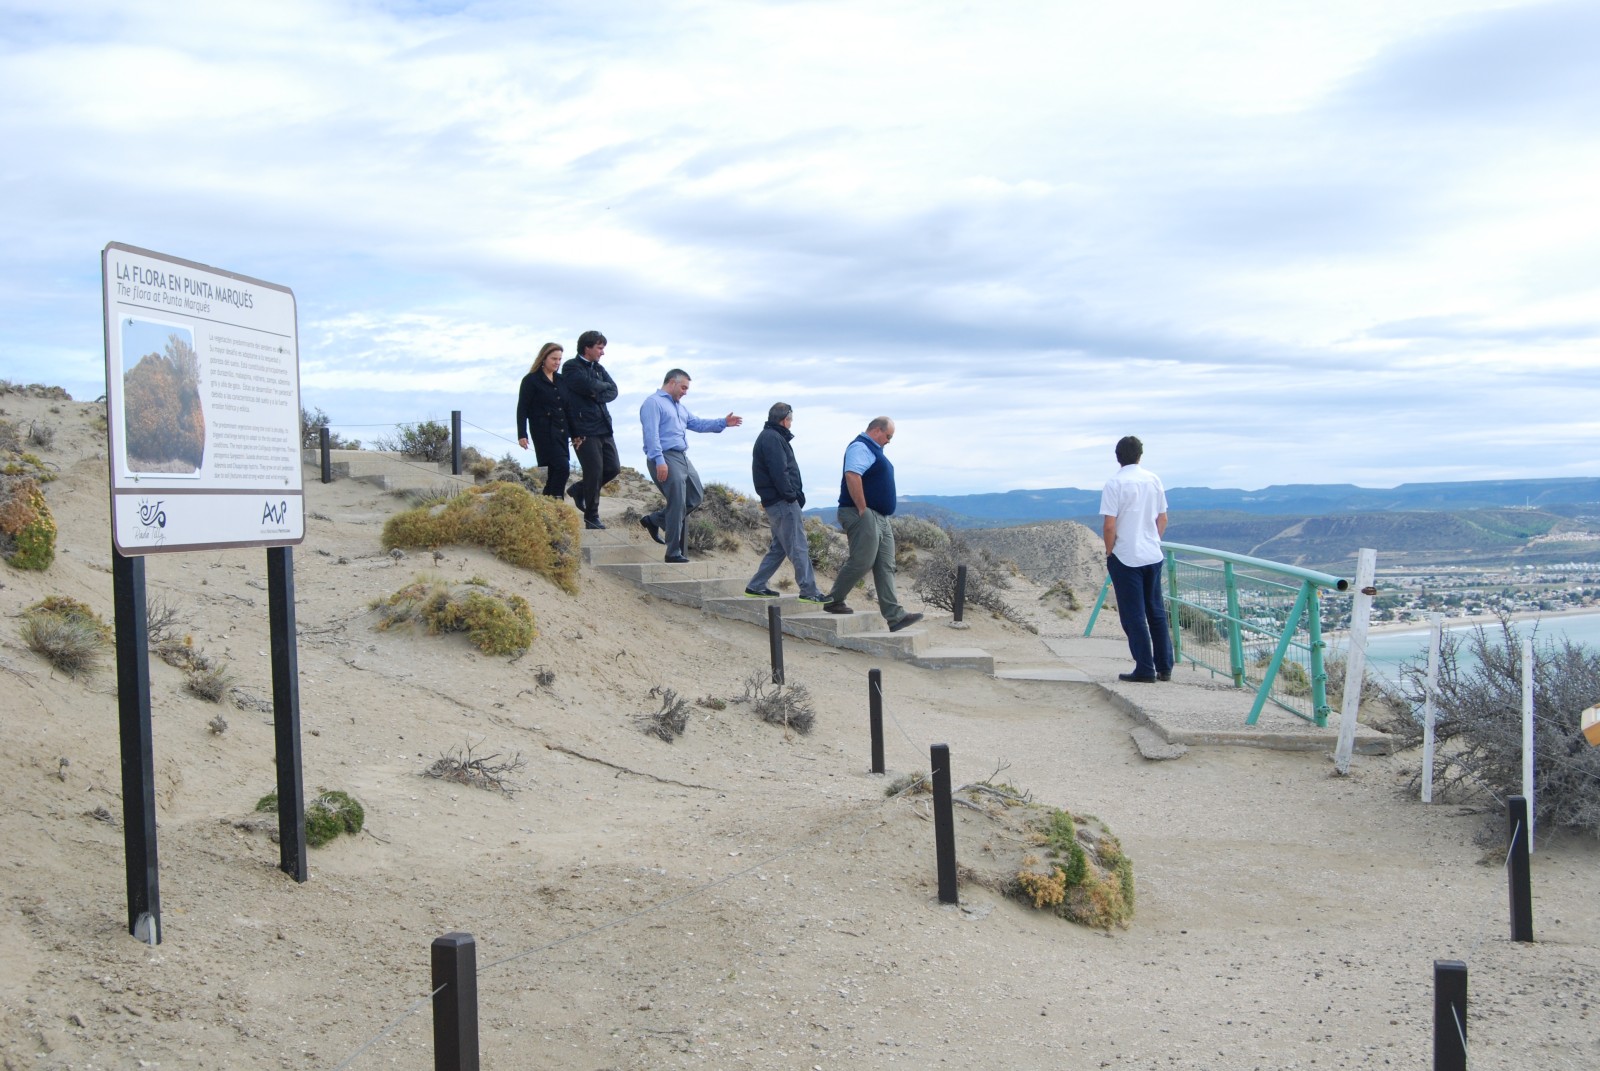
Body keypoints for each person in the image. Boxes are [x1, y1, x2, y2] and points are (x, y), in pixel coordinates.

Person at [822, 417, 923, 632]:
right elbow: (852, 475)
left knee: (885, 564)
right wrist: (862, 508)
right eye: (888, 436)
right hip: (862, 513)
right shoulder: (861, 446)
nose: (889, 441)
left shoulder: (874, 450)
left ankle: (895, 616)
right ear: (877, 430)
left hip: (881, 517)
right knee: (862, 560)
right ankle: (834, 599)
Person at [638, 369, 742, 563]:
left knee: (695, 496)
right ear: (671, 382)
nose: (685, 392)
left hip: (682, 457)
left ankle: (654, 520)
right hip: (665, 457)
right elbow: (651, 435)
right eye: (683, 387)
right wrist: (659, 460)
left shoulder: (680, 408)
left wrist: (723, 423)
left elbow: (698, 424)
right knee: (677, 502)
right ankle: (672, 552)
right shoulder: (653, 403)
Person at [1100, 435, 1174, 683]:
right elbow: (1162, 519)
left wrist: (1110, 551)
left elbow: (1110, 525)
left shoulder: (1114, 484)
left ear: (1117, 456)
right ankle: (1165, 666)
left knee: (1134, 615)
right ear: (1140, 455)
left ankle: (1144, 667)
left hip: (1126, 555)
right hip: (1152, 553)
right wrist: (1153, 539)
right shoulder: (1154, 480)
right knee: (1156, 611)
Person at [744, 402, 827, 603]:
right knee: (798, 546)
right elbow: (779, 471)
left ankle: (756, 585)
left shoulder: (770, 436)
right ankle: (809, 591)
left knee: (779, 547)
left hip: (776, 502)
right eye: (790, 420)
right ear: (785, 419)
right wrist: (792, 495)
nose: (791, 424)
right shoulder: (772, 438)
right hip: (782, 502)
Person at [559, 330, 621, 529]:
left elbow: (613, 390)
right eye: (600, 348)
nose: (602, 352)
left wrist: (595, 393)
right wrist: (595, 389)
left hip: (604, 426)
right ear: (588, 347)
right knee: (594, 470)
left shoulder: (599, 368)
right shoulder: (570, 367)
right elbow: (585, 385)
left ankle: (579, 489)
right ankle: (591, 517)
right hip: (583, 428)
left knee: (613, 468)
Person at [515, 342, 571, 499]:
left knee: (556, 469)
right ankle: (556, 501)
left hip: (561, 432)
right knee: (562, 467)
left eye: (560, 359)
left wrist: (576, 433)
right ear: (543, 358)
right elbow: (522, 409)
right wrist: (522, 434)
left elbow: (568, 409)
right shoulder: (531, 380)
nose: (557, 362)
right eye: (554, 358)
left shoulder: (561, 380)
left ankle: (547, 502)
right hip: (543, 432)